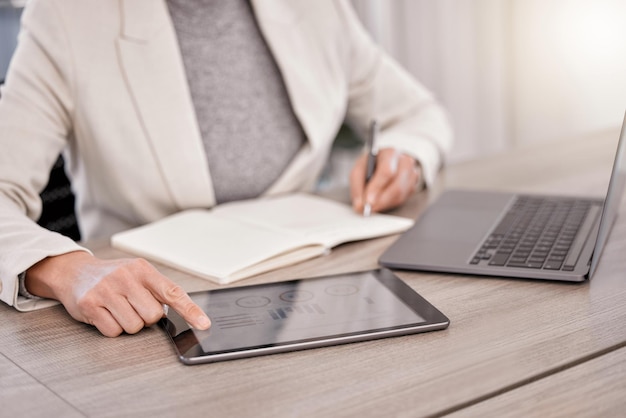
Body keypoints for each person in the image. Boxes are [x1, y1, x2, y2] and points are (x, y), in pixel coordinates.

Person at [0, 0, 452, 337]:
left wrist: (405, 155)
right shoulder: (67, 17)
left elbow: (416, 114)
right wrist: (62, 266)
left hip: (312, 294)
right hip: (153, 314)